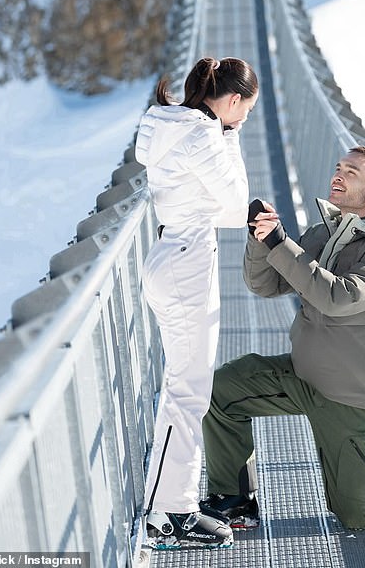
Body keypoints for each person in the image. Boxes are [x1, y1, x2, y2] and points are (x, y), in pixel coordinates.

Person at [201, 145, 365, 531]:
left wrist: (281, 244)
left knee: (356, 517)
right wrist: (261, 240)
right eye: (338, 167)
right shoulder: (326, 231)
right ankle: (233, 497)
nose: (338, 176)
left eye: (351, 172)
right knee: (222, 390)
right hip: (301, 376)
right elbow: (264, 285)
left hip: (349, 399)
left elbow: (337, 297)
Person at [135, 56, 259, 549]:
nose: (243, 120)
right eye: (244, 111)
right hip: (187, 262)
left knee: (185, 389)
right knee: (187, 394)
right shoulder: (205, 134)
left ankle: (172, 505)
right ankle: (167, 513)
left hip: (170, 251)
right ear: (231, 101)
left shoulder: (170, 122)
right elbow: (234, 206)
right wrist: (231, 135)